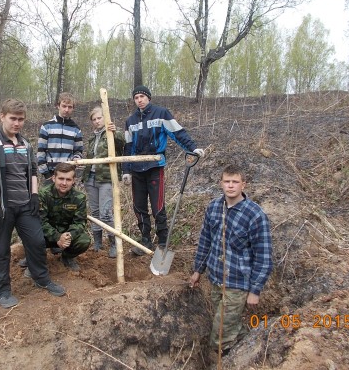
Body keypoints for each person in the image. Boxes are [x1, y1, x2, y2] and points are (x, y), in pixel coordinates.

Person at [0, 99, 66, 309]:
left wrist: (33, 195)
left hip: (25, 205)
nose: (17, 123)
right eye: (13, 119)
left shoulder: (25, 144)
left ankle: (41, 278)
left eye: (21, 119)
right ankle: (1, 290)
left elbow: (32, 171)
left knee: (36, 242)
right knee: (1, 250)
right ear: (2, 117)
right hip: (2, 208)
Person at [189, 164, 273, 356]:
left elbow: (264, 257)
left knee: (220, 337)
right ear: (221, 183)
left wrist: (255, 291)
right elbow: (205, 241)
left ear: (243, 184)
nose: (231, 185)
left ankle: (228, 358)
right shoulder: (213, 208)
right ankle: (250, 343)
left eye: (235, 182)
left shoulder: (255, 215)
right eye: (227, 181)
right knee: (228, 325)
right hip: (216, 280)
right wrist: (197, 270)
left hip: (237, 285)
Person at [122, 85, 204, 255]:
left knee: (158, 206)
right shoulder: (130, 121)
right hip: (137, 169)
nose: (139, 100)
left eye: (142, 96)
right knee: (139, 206)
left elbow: (177, 133)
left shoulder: (161, 113)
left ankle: (163, 241)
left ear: (148, 98)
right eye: (136, 98)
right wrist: (126, 170)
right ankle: (145, 240)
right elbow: (128, 148)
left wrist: (192, 148)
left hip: (155, 166)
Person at [81, 106, 125, 258]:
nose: (97, 121)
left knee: (105, 213)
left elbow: (123, 143)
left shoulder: (113, 133)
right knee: (95, 213)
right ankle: (98, 243)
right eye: (94, 119)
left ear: (105, 118)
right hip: (91, 178)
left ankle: (113, 243)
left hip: (106, 178)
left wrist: (115, 132)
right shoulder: (92, 138)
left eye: (99, 118)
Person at [38, 162, 91, 272]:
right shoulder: (43, 194)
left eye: (68, 179)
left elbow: (80, 222)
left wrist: (68, 236)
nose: (64, 183)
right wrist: (57, 237)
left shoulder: (79, 197)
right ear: (54, 178)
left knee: (84, 240)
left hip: (66, 236)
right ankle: (34, 259)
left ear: (73, 181)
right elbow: (40, 221)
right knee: (31, 235)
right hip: (47, 235)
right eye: (61, 178)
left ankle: (66, 257)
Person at [37, 92, 84, 185]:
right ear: (58, 106)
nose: (66, 110)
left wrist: (76, 159)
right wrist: (46, 174)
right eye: (64, 106)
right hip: (51, 174)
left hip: (68, 175)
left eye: (70, 107)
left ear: (73, 108)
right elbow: (41, 152)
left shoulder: (76, 129)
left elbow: (78, 151)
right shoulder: (47, 127)